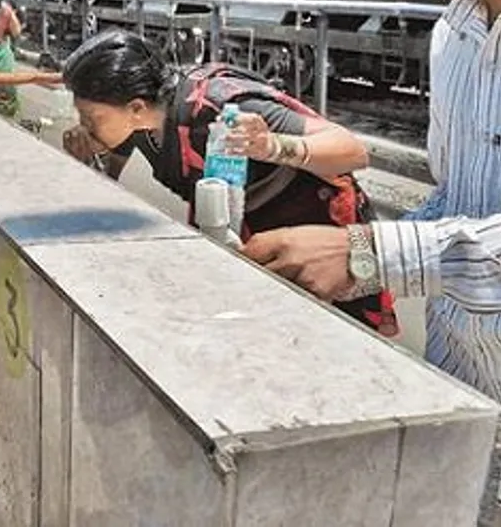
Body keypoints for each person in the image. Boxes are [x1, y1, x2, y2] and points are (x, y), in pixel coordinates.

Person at [244, 0, 501, 407]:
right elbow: (461, 200)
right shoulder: (455, 37)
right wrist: (348, 258)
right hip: (467, 374)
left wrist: (371, 254)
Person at [61, 29, 398, 336]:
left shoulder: (223, 108)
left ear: (135, 108)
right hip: (257, 232)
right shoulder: (143, 124)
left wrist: (274, 147)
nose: (84, 126)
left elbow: (352, 151)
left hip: (322, 233)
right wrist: (92, 158)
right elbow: (115, 160)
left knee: (350, 338)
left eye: (92, 119)